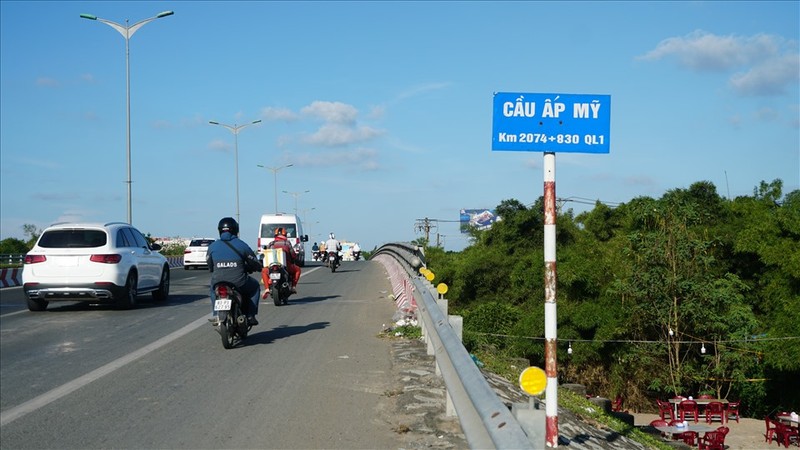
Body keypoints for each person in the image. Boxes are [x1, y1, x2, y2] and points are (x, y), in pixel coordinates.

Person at [206, 217, 261, 326]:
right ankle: (250, 315)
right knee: (255, 287)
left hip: (218, 281)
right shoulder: (241, 245)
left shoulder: (212, 246)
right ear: (235, 230)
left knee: (213, 290)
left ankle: (216, 314)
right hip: (239, 282)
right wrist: (257, 267)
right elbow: (253, 261)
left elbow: (210, 265)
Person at [262, 227, 301, 296]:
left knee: (264, 271)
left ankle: (267, 288)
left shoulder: (271, 243)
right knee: (297, 270)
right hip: (286, 266)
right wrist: (294, 257)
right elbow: (293, 255)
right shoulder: (287, 243)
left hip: (271, 266)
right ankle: (293, 287)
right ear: (285, 235)